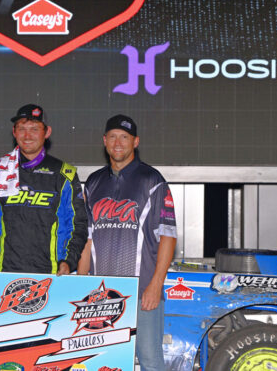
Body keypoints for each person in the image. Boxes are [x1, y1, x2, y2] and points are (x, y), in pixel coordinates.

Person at [78, 114, 177, 371]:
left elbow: (168, 235)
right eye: (112, 136)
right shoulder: (93, 182)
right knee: (100, 362)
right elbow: (86, 240)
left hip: (142, 291)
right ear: (104, 141)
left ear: (135, 142)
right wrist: (80, 284)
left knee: (150, 361)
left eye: (124, 137)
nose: (118, 142)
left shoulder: (152, 180)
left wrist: (156, 285)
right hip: (100, 295)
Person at [0, 104, 88, 275]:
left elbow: (75, 224)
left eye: (35, 129)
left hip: (52, 274)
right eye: (22, 129)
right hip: (3, 274)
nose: (27, 135)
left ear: (47, 132)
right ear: (14, 132)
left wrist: (68, 261)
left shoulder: (65, 174)